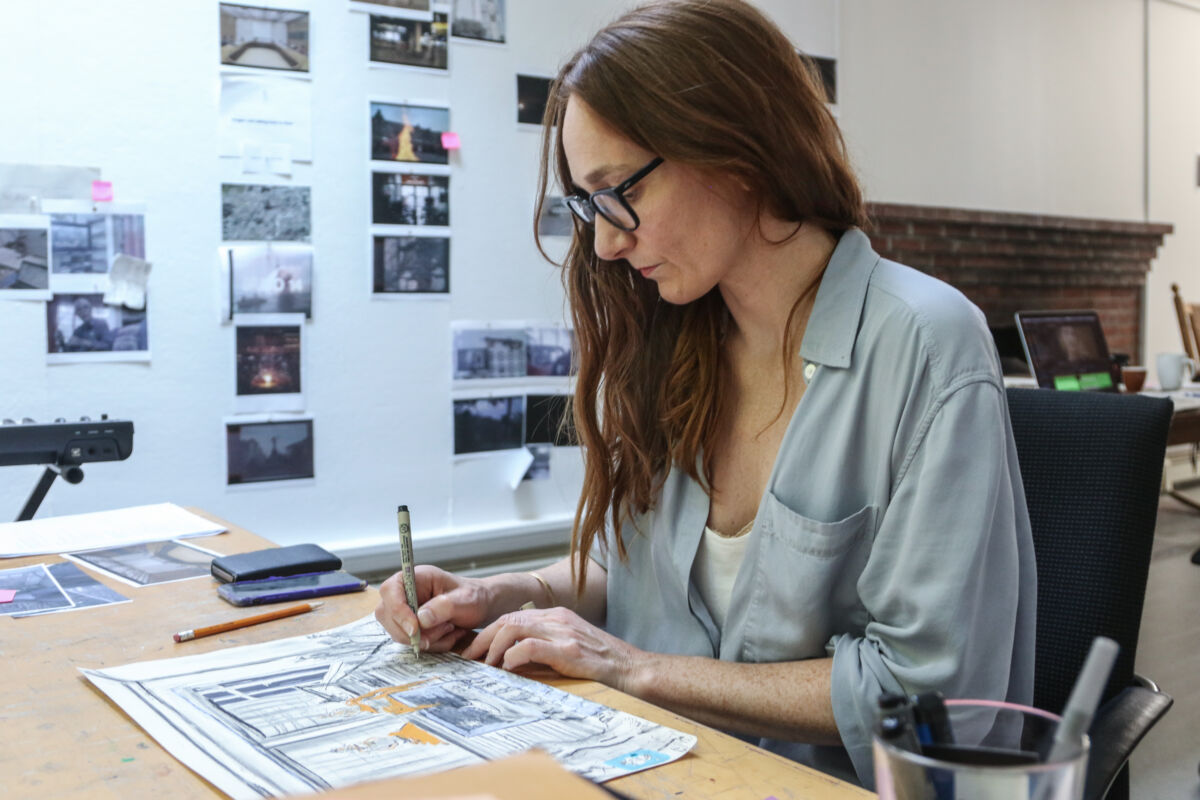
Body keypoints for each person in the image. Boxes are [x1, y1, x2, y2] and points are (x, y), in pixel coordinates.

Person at [376, 0, 1036, 787]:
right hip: (662, 767)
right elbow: (642, 571)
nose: (606, 242)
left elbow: (932, 695)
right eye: (587, 205)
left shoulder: (927, 345)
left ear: (736, 153)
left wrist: (635, 669)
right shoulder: (679, 340)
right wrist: (507, 593)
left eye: (619, 191)